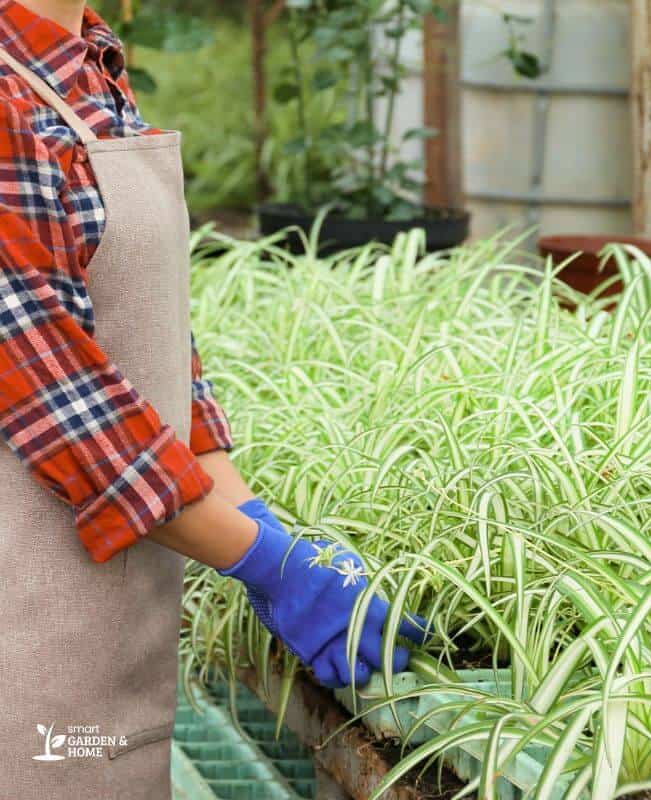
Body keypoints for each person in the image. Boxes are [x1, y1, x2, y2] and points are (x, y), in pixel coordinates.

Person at [0, 2, 426, 796]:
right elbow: (60, 394)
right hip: (23, 638)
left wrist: (263, 524)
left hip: (114, 630)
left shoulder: (87, 66)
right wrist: (262, 559)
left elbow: (152, 343)